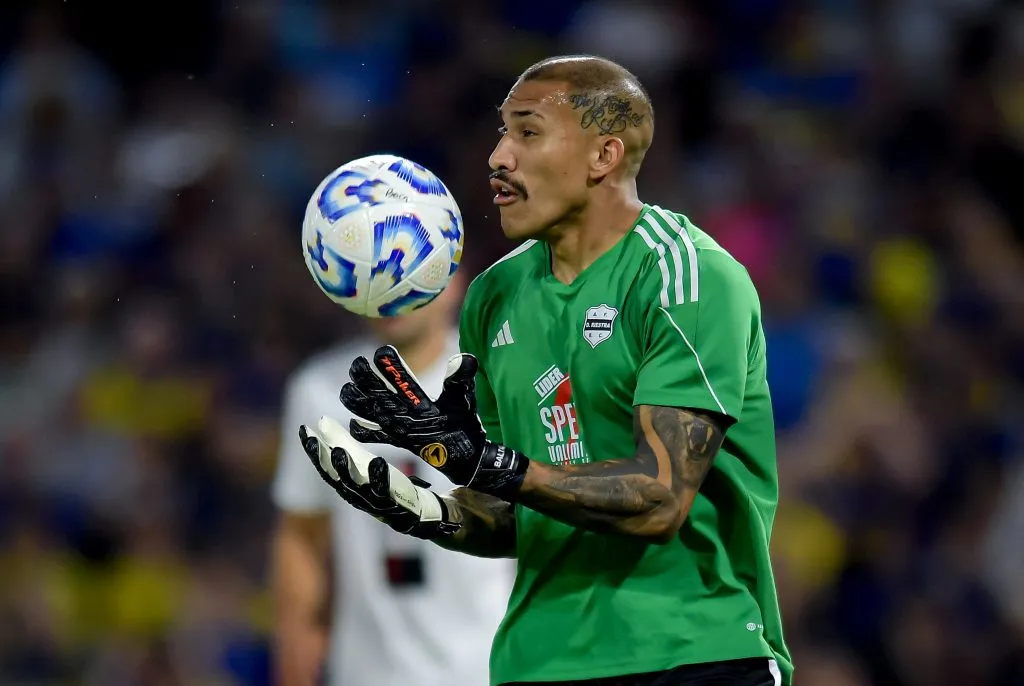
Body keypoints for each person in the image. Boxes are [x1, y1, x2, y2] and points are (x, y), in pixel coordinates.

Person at [299, 55, 793, 686]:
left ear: (603, 156)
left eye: (527, 132)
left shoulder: (686, 276)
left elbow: (661, 498)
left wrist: (491, 465)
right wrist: (421, 508)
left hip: (692, 651)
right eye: (502, 132)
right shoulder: (493, 296)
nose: (499, 156)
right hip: (536, 664)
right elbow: (515, 507)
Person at [270, 272, 514, 686]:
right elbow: (301, 538)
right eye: (377, 276)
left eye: (412, 276)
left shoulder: (497, 379)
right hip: (368, 673)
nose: (393, 293)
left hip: (490, 667)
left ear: (452, 281)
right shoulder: (318, 390)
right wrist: (295, 657)